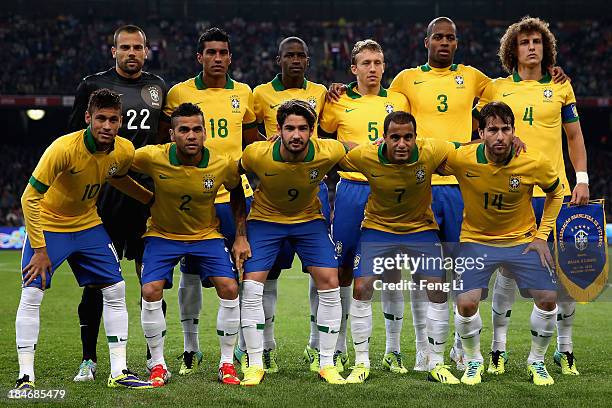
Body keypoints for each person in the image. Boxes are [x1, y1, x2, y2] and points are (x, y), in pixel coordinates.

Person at [327, 17, 567, 371]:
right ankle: (407, 348)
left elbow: (506, 97)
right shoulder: (405, 80)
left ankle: (456, 348)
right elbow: (381, 105)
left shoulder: (473, 77)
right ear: (426, 42)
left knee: (454, 272)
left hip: (457, 183)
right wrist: (343, 87)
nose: (444, 42)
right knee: (397, 270)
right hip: (417, 182)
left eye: (450, 38)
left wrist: (547, 72)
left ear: (456, 43)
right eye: (437, 37)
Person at [15, 89, 154, 390]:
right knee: (33, 293)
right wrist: (39, 250)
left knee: (116, 289)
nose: (107, 125)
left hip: (89, 224)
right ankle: (26, 376)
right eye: (101, 118)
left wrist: (150, 199)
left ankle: (119, 372)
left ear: (120, 122)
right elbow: (29, 198)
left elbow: (116, 175)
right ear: (88, 118)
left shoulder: (124, 150)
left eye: (113, 120)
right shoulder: (63, 149)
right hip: (50, 226)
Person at [474, 16, 588, 377]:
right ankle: (498, 349)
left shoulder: (560, 88)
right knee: (507, 272)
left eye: (537, 41)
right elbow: (479, 134)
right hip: (515, 194)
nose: (532, 47)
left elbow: (574, 137)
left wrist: (582, 178)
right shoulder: (494, 89)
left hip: (558, 194)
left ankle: (564, 349)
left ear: (546, 47)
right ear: (513, 49)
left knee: (567, 275)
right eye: (524, 42)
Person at [68, 24, 168, 381]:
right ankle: (89, 360)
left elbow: (163, 140)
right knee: (96, 283)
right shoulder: (91, 86)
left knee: (150, 282)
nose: (130, 53)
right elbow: (74, 141)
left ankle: (153, 359)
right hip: (103, 201)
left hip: (146, 202)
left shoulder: (158, 88)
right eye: (124, 47)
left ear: (146, 51)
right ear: (114, 51)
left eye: (137, 47)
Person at [442, 101, 564, 385]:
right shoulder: (463, 158)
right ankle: (474, 361)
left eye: (505, 129)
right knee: (466, 303)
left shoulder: (533, 161)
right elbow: (428, 153)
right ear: (481, 132)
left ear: (514, 132)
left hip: (522, 241)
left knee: (548, 299)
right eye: (492, 129)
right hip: (475, 241)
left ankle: (537, 362)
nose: (499, 136)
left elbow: (556, 193)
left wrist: (542, 235)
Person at [162, 27, 261, 376]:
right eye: (210, 52)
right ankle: (191, 348)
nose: (217, 58)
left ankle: (246, 349)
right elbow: (165, 141)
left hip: (234, 197)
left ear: (230, 57)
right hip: (193, 198)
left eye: (223, 53)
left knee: (241, 275)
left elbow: (252, 142)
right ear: (199, 57)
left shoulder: (244, 93)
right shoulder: (179, 93)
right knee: (189, 273)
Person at [130, 103, 249, 387]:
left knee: (231, 287)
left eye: (197, 129)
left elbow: (236, 191)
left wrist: (241, 235)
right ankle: (158, 365)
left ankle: (227, 363)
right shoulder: (151, 157)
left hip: (206, 235)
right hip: (162, 235)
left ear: (205, 133)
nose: (191, 135)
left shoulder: (221, 163)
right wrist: (145, 197)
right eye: (183, 130)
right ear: (172, 134)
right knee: (150, 289)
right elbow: (117, 167)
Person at [338, 111, 462, 384]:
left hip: (420, 229)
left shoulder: (431, 150)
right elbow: (336, 150)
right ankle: (361, 363)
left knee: (437, 288)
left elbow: (467, 149)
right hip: (378, 229)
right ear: (384, 138)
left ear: (417, 138)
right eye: (395, 137)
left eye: (408, 137)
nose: (402, 143)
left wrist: (510, 142)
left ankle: (437, 363)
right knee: (361, 287)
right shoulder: (366, 156)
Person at [239, 99, 350, 385]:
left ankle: (326, 363)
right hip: (265, 221)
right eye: (290, 128)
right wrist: (240, 234)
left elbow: (351, 149)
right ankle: (254, 363)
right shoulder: (257, 154)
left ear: (313, 131)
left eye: (302, 128)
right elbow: (232, 180)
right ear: (278, 129)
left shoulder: (328, 150)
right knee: (252, 286)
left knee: (330, 280)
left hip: (308, 221)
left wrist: (381, 146)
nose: (296, 135)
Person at [237, 36, 328, 373]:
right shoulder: (259, 93)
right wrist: (270, 149)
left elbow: (330, 130)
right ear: (278, 59)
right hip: (271, 196)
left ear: (308, 59)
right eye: (289, 54)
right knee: (266, 273)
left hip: (312, 191)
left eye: (301, 55)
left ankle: (318, 347)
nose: (295, 60)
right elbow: (250, 137)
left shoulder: (321, 92)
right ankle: (265, 347)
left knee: (321, 271)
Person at [319, 39, 410, 374]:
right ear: (353, 68)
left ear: (384, 66)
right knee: (342, 268)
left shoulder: (399, 100)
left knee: (391, 270)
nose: (373, 68)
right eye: (366, 63)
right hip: (351, 191)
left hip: (388, 192)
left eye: (378, 62)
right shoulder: (338, 100)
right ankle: (340, 345)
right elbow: (325, 141)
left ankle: (393, 349)